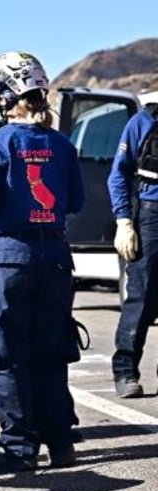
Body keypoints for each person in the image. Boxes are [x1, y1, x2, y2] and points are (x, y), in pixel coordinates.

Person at [0, 51, 85, 471]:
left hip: (8, 255)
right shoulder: (62, 144)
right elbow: (75, 201)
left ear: (5, 96)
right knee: (52, 348)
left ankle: (19, 449)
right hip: (54, 252)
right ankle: (60, 442)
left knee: (5, 353)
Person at [107, 94, 158, 398]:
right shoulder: (142, 122)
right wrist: (124, 221)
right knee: (142, 297)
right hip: (151, 215)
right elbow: (119, 174)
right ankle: (125, 371)